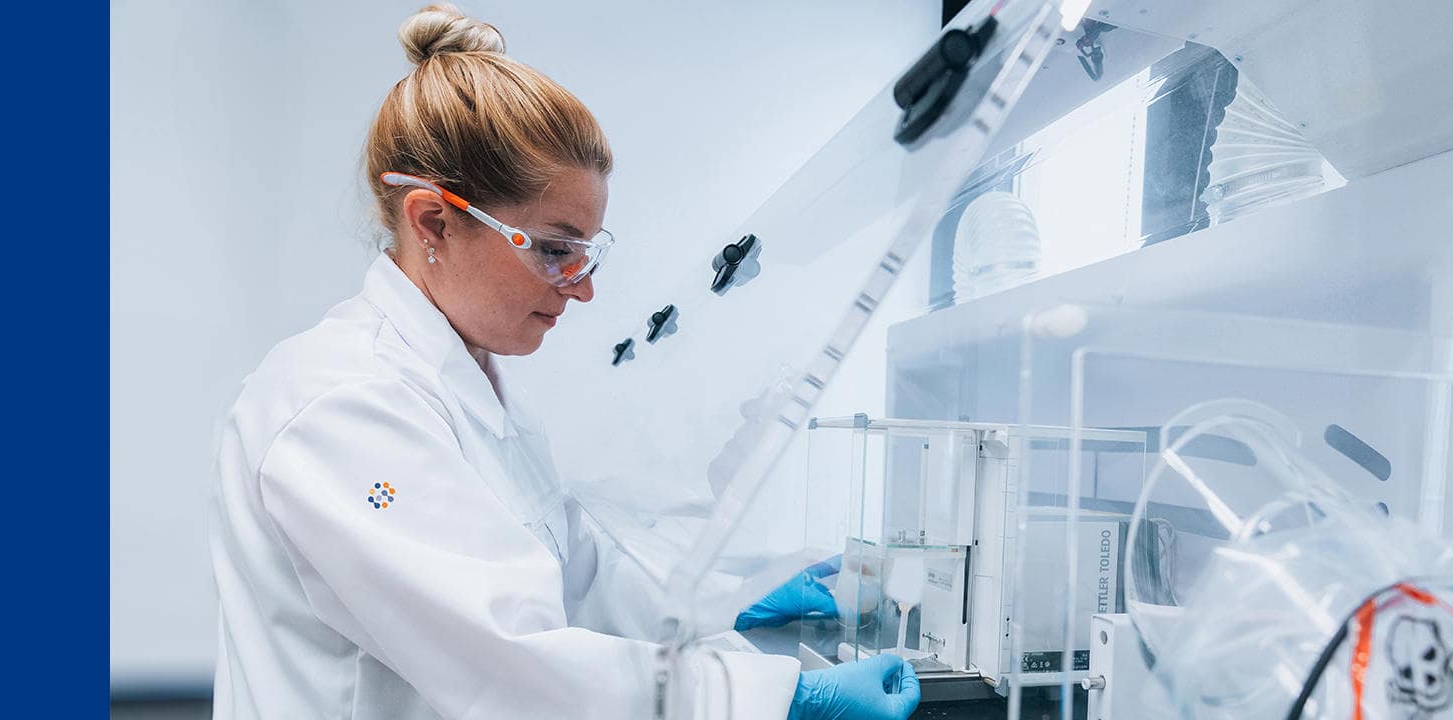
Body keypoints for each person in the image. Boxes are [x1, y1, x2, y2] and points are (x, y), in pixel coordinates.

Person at [211, 5, 922, 718]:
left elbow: (576, 579)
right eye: (555, 250)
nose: (582, 289)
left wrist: (730, 603)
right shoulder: (341, 406)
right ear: (433, 222)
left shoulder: (479, 391)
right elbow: (509, 661)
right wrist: (784, 698)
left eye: (586, 253)